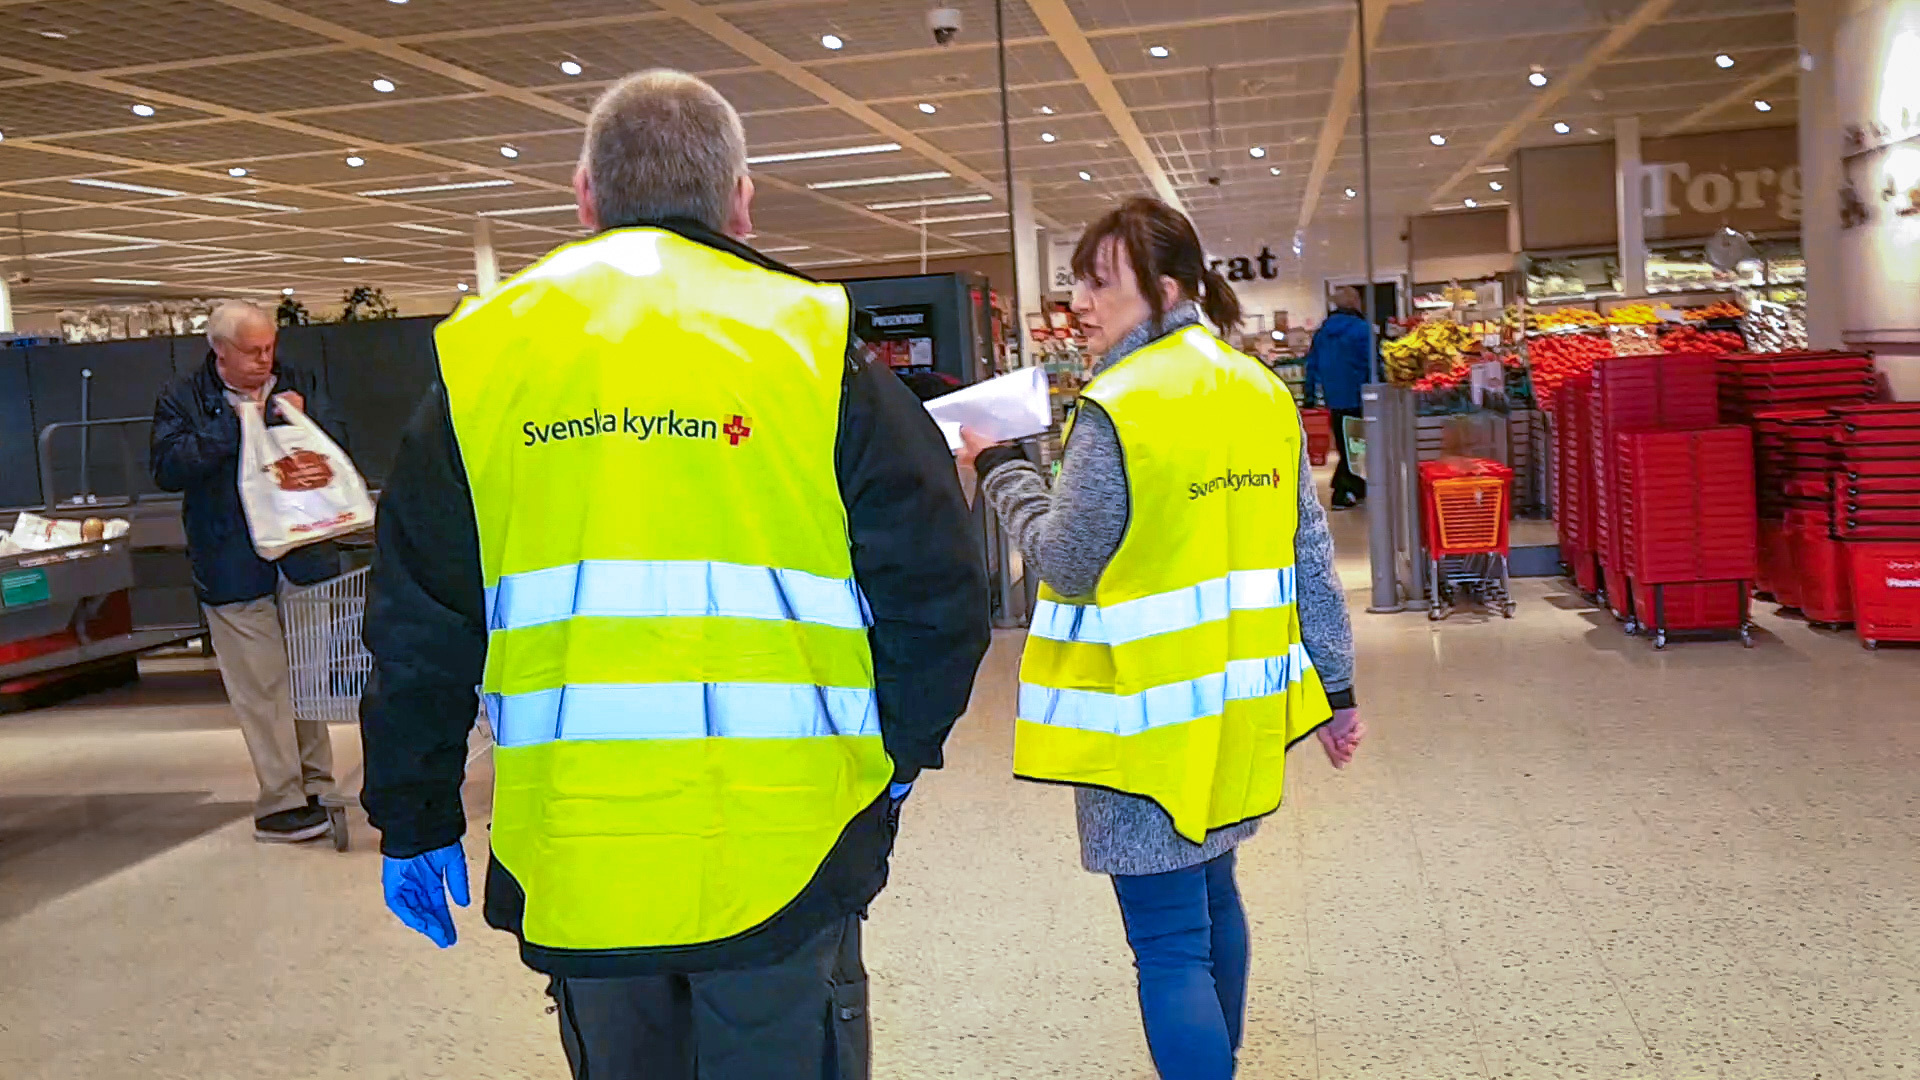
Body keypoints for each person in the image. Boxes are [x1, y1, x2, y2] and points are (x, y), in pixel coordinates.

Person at [357, 68, 990, 1080]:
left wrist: (414, 810)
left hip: (580, 848)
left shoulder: (484, 365)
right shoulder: (813, 347)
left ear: (584, 194)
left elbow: (419, 622)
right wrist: (899, 757)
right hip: (787, 843)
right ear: (739, 198)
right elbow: (939, 590)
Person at [959, 197, 1365, 1080]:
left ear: (1167, 287)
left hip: (1140, 716)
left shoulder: (1120, 404)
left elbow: (1065, 558)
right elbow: (1309, 552)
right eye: (1079, 279)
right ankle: (1220, 1053)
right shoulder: (1258, 388)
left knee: (1169, 942)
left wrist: (995, 466)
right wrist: (1335, 688)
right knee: (1213, 890)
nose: (1081, 301)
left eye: (1102, 282)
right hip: (1231, 708)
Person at [151, 300, 343, 843]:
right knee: (260, 686)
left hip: (303, 555)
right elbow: (168, 467)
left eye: (269, 348)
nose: (265, 360)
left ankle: (319, 786)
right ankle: (280, 799)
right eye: (252, 351)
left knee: (307, 676)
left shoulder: (297, 378)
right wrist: (239, 427)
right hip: (232, 560)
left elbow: (339, 437)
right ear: (219, 351)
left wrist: (302, 420)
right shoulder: (183, 398)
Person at [1301, 285, 1376, 508]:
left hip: (1334, 397)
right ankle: (1342, 491)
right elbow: (1371, 362)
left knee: (1348, 444)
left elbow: (1311, 365)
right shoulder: (1362, 329)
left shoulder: (1323, 332)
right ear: (1355, 302)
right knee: (1358, 445)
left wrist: (1310, 396)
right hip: (1359, 395)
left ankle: (1356, 486)